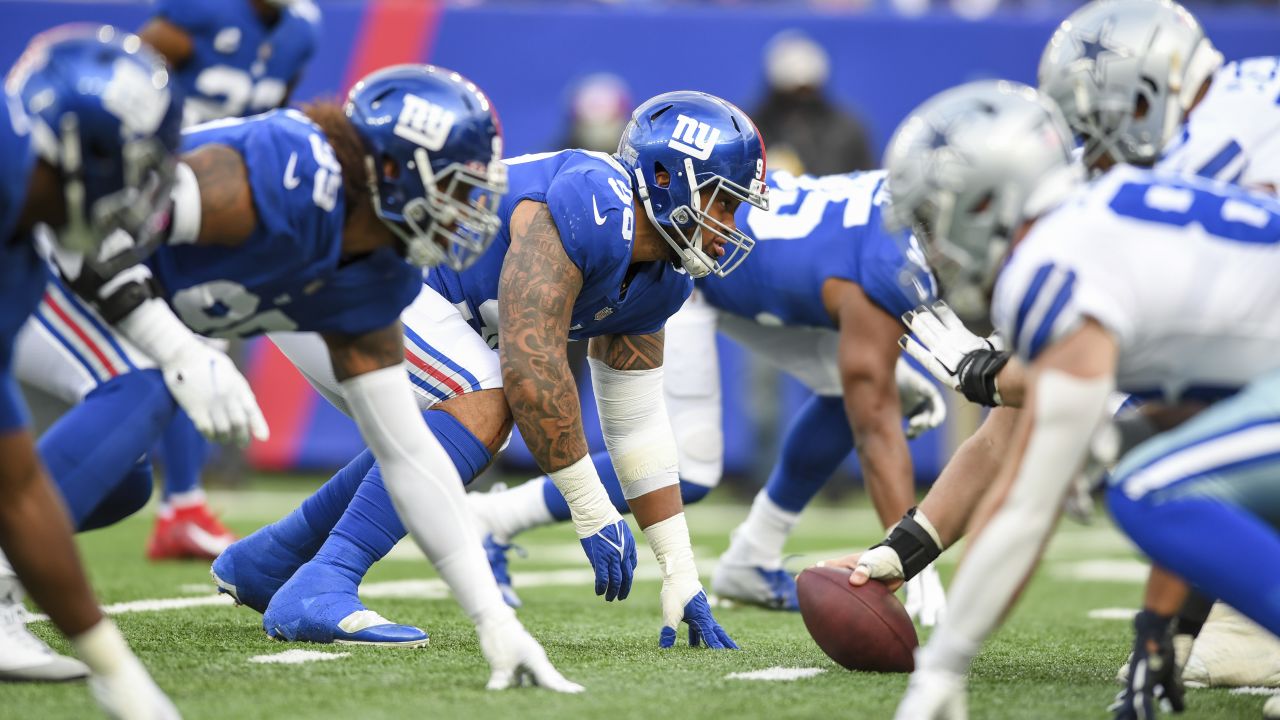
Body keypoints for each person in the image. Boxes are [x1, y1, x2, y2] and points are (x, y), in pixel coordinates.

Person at [214, 90, 766, 650]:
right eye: (722, 201)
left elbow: (636, 425)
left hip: (384, 290)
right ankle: (325, 580)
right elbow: (531, 363)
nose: (728, 223)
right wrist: (591, 509)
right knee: (489, 397)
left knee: (470, 411)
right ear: (668, 178)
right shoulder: (597, 200)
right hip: (344, 265)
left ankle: (273, 558)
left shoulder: (663, 280)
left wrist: (679, 569)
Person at [879, 78, 1280, 720]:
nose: (931, 247)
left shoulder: (1050, 264)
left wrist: (942, 670)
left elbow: (1026, 504)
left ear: (985, 203)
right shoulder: (1105, 221)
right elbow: (1201, 409)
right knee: (1152, 456)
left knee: (1146, 485)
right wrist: (1161, 626)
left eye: (931, 220)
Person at [470, 168, 950, 623]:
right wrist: (911, 552)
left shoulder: (894, 211)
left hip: (746, 273)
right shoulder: (894, 258)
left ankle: (753, 558)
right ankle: (494, 517)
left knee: (848, 390)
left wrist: (879, 372)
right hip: (686, 265)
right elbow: (874, 420)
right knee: (690, 466)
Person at [0, 24, 191, 717]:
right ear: (83, 148)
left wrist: (118, 673)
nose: (139, 189)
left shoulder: (20, 253)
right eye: (135, 163)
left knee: (117, 479)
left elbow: (17, 490)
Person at [127, 0, 321, 560]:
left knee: (208, 337)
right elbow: (129, 77)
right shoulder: (200, 11)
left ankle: (181, 501)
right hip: (162, 194)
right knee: (180, 341)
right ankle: (178, 500)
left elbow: (274, 113)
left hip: (230, 198)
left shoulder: (301, 29)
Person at [750, 30, 873, 176]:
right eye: (790, 92)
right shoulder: (752, 130)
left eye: (808, 91)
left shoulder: (847, 130)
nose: (800, 101)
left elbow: (866, 180)